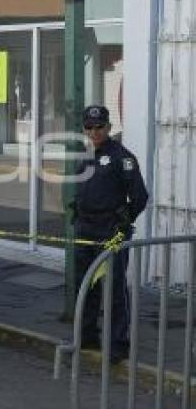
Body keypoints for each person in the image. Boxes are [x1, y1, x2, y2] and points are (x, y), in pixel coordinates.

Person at [74, 105, 148, 363]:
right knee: (85, 286)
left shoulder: (122, 157)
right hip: (85, 228)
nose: (94, 132)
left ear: (108, 127)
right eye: (89, 127)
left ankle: (118, 343)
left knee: (115, 289)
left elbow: (139, 196)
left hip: (110, 231)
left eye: (99, 127)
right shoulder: (84, 155)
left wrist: (124, 221)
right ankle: (86, 336)